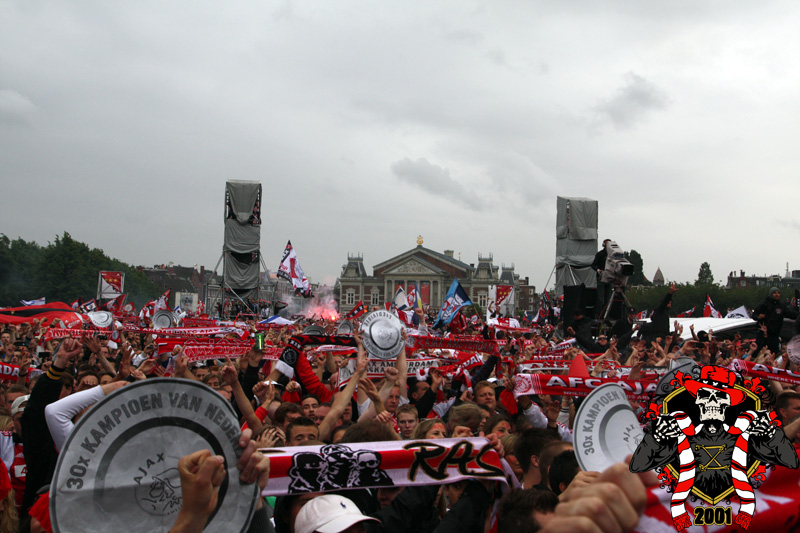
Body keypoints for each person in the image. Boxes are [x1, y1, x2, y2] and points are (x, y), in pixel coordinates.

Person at [754, 287, 798, 353]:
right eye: (774, 293)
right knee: (760, 352)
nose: (777, 294)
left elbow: (791, 314)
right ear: (771, 294)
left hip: (774, 335)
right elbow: (754, 315)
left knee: (774, 353)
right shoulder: (764, 304)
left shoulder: (781, 306)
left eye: (778, 293)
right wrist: (758, 317)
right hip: (763, 334)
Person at [592, 239, 612, 314]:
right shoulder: (600, 254)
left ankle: (606, 314)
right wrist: (598, 270)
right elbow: (593, 265)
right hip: (601, 277)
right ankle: (598, 314)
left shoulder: (612, 255)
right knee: (601, 298)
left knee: (608, 298)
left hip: (609, 278)